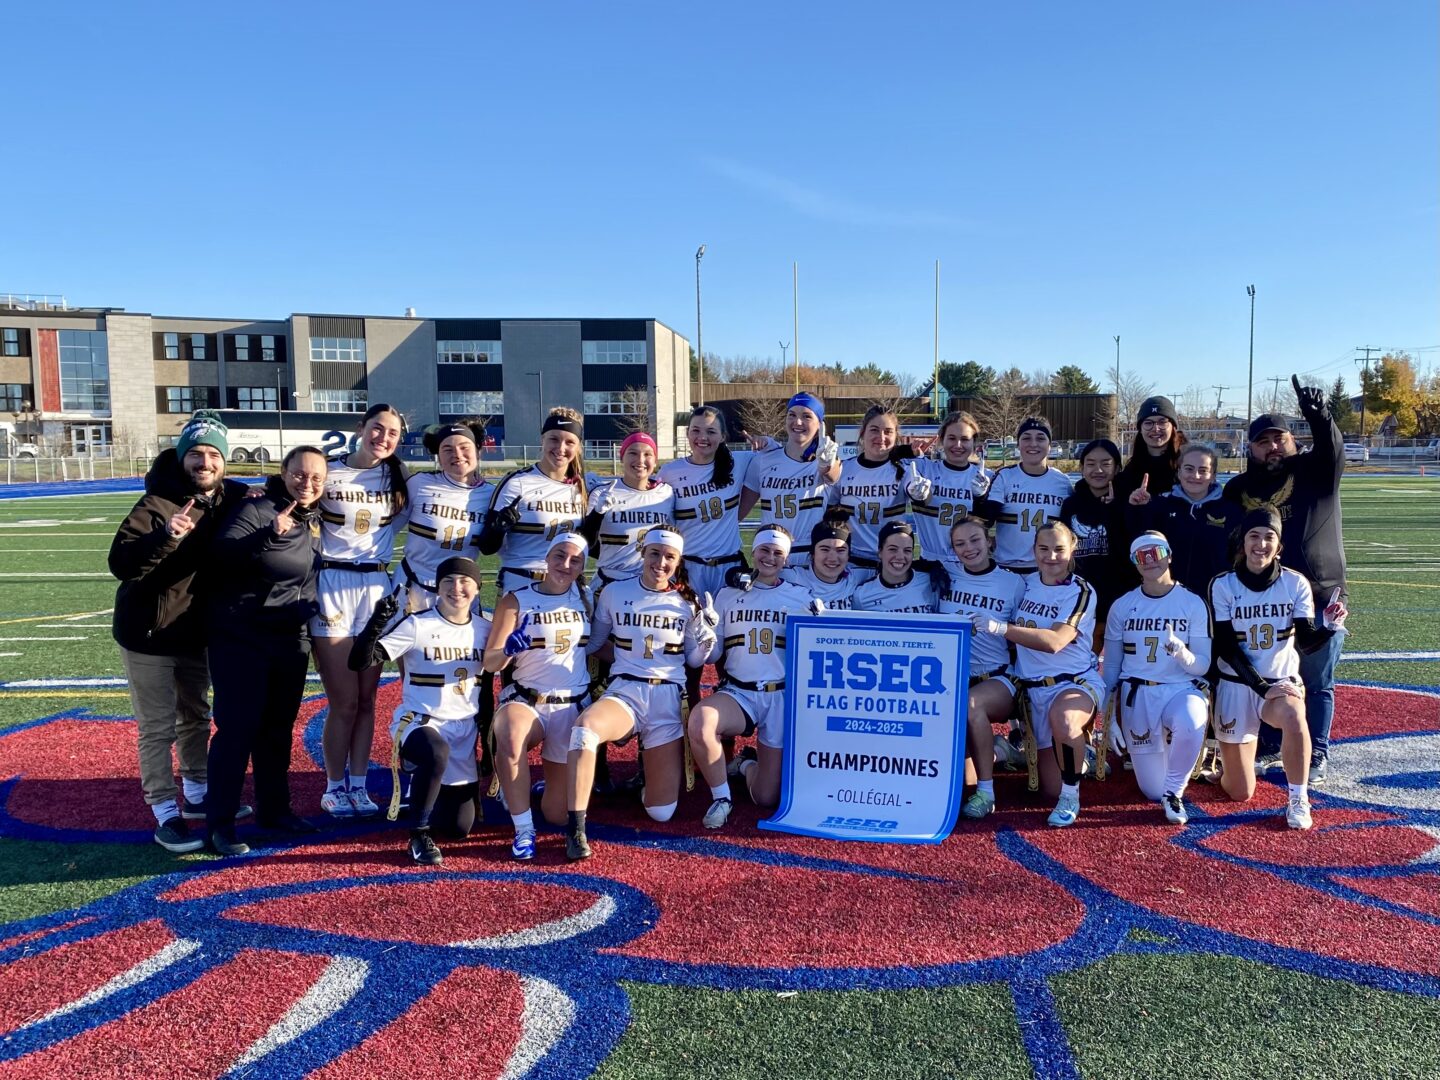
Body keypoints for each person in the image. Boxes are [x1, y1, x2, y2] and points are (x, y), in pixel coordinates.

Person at [108, 411, 253, 853]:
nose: (204, 462)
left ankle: (195, 794)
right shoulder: (156, 503)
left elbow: (261, 499)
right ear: (181, 457)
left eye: (213, 454)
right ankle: (165, 813)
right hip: (148, 634)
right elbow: (121, 565)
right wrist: (166, 537)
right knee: (156, 728)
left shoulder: (231, 498)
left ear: (225, 462)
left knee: (196, 716)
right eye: (196, 454)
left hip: (196, 632)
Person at [564, 527, 717, 860]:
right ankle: (576, 826)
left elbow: (691, 660)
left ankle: (647, 776)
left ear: (678, 562)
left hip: (667, 700)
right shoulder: (614, 592)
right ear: (643, 553)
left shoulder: (686, 600)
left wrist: (706, 642)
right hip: (627, 691)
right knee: (585, 730)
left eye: (669, 557)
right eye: (654, 554)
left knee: (660, 812)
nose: (660, 562)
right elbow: (594, 644)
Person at [1223, 376, 1347, 785]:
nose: (1272, 446)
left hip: (1318, 593)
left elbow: (1331, 449)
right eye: (1263, 441)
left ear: (1293, 440)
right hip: (1259, 599)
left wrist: (1320, 415)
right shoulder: (1240, 488)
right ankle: (1274, 744)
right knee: (1271, 673)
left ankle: (1318, 751)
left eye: (1279, 438)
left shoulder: (1314, 472)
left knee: (1315, 679)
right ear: (1251, 448)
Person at [205, 446, 328, 855]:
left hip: (289, 639)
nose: (307, 484)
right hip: (243, 638)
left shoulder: (313, 517)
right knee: (238, 731)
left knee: (277, 731)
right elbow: (219, 556)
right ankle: (220, 824)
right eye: (299, 474)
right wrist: (266, 535)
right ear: (283, 472)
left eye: (316, 478)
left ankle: (275, 810)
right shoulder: (258, 509)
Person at [1208, 507, 1347, 829]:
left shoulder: (1295, 583)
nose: (1261, 544)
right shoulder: (1223, 584)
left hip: (1279, 683)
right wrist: (1261, 687)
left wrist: (1327, 627)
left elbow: (1307, 641)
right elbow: (1228, 649)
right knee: (1239, 792)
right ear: (1242, 543)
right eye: (1254, 536)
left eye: (1269, 537)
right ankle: (1231, 766)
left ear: (1279, 545)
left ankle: (1298, 798)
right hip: (1237, 683)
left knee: (1295, 715)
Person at [348, 556, 491, 866]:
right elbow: (358, 662)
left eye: (465, 581)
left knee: (458, 828)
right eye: (448, 581)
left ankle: (428, 785)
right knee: (436, 751)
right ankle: (418, 833)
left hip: (464, 729)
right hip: (421, 722)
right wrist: (374, 625)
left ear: (478, 588)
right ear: (437, 587)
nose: (457, 588)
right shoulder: (417, 624)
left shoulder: (487, 628)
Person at [312, 404, 410, 821]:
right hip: (332, 585)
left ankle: (357, 783)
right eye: (377, 428)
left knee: (368, 699)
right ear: (361, 428)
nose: (382, 438)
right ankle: (333, 786)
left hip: (375, 588)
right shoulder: (329, 471)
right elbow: (289, 488)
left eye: (392, 433)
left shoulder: (400, 479)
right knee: (344, 700)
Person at [688, 525, 820, 828]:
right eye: (764, 550)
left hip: (780, 696)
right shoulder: (727, 594)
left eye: (777, 553)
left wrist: (821, 621)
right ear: (753, 552)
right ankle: (721, 798)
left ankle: (745, 763)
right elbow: (713, 656)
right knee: (701, 721)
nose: (770, 557)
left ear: (786, 559)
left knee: (765, 798)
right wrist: (704, 639)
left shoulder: (801, 597)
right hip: (740, 693)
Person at [971, 522, 1102, 826]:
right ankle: (1038, 753)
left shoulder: (1080, 590)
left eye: (1059, 549)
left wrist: (1000, 628)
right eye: (1043, 549)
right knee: (1047, 790)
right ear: (1033, 551)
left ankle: (1072, 794)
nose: (1051, 556)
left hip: (1071, 682)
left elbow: (1055, 641)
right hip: (1032, 690)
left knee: (1065, 719)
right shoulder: (1025, 583)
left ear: (1073, 549)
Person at [484, 533, 593, 860]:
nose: (565, 564)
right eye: (559, 555)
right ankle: (523, 829)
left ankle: (537, 786)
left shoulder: (587, 597)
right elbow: (490, 663)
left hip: (571, 704)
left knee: (558, 815)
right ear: (546, 557)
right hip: (527, 699)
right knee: (512, 735)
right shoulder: (515, 600)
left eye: (575, 560)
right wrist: (506, 650)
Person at [1101, 532, 1213, 824]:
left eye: (1156, 552)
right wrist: (1108, 717)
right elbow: (1111, 665)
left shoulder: (1191, 603)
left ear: (1169, 555)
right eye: (1141, 555)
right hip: (1138, 694)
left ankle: (1174, 792)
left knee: (1191, 720)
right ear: (1134, 563)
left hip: (1178, 688)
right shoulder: (1122, 606)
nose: (1150, 560)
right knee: (1151, 790)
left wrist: (1182, 654)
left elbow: (1201, 666)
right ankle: (1169, 769)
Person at [938, 516, 1027, 820]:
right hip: (954, 680)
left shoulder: (1012, 582)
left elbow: (1022, 634)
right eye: (960, 544)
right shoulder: (945, 574)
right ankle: (1002, 753)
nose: (969, 548)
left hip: (997, 677)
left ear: (990, 541)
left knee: (971, 704)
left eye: (975, 540)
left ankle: (988, 794)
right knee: (964, 782)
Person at [478, 407, 588, 596]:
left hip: (564, 586)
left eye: (569, 442)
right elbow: (487, 547)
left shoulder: (583, 487)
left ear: (578, 447)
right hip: (520, 582)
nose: (561, 448)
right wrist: (498, 528)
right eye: (554, 439)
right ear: (542, 440)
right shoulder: (518, 482)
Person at [396, 422, 494, 614]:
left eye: (464, 448)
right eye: (447, 449)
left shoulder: (492, 494)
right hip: (413, 585)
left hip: (460, 591)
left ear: (478, 451)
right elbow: (387, 529)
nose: (457, 454)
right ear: (438, 456)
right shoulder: (419, 483)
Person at [1126, 443, 1242, 598]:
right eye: (1189, 469)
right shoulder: (1160, 506)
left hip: (1216, 599)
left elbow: (1239, 557)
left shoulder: (1231, 511)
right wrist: (1137, 509)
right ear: (1179, 472)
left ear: (1213, 475)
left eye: (1203, 470)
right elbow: (1138, 541)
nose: (1195, 475)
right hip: (1169, 598)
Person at [740, 392, 842, 568]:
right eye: (792, 415)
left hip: (810, 558)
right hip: (772, 556)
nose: (798, 422)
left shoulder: (826, 457)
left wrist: (826, 462)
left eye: (807, 416)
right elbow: (739, 512)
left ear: (820, 424)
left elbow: (832, 474)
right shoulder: (763, 460)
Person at [1059, 438, 1135, 644]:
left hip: (1119, 595)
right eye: (1091, 464)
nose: (1098, 470)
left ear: (1117, 467)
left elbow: (1129, 547)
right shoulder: (1071, 505)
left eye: (1106, 463)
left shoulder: (1128, 502)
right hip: (1081, 597)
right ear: (1082, 468)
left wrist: (1116, 508)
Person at [973, 417, 1073, 573]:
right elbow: (986, 521)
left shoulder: (1062, 482)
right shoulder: (1005, 476)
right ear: (1018, 444)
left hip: (1045, 569)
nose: (1033, 444)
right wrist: (979, 498)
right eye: (1026, 438)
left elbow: (1070, 527)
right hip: (1006, 568)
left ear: (1049, 444)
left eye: (1040, 438)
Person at [580, 432, 675, 588]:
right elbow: (586, 544)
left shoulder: (666, 494)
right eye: (633, 453)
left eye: (647, 454)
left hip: (651, 585)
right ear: (621, 457)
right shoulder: (602, 492)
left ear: (655, 460)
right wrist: (597, 513)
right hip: (610, 583)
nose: (640, 460)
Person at [828, 403, 915, 573]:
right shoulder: (844, 469)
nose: (881, 437)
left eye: (888, 431)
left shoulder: (905, 470)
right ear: (863, 433)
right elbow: (829, 514)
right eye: (874, 430)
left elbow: (924, 501)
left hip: (891, 564)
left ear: (896, 435)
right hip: (851, 562)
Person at [906, 410, 988, 563]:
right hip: (930, 561)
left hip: (970, 564)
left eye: (965, 439)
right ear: (942, 440)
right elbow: (884, 458)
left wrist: (981, 498)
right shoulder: (924, 469)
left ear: (974, 442)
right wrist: (907, 451)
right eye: (951, 438)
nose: (958, 445)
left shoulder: (985, 477)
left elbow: (989, 523)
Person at [852, 520, 949, 613]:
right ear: (880, 552)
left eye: (907, 550)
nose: (900, 557)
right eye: (893, 549)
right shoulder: (862, 596)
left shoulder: (931, 584)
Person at [782, 516, 863, 610]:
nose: (832, 558)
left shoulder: (858, 577)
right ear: (813, 553)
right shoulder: (791, 577)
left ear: (848, 555)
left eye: (840, 550)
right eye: (825, 549)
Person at [1114, 396, 1187, 501]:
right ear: (1141, 429)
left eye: (1162, 422)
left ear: (1173, 426)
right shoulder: (1131, 469)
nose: (1156, 429)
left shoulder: (1188, 464)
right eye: (1148, 423)